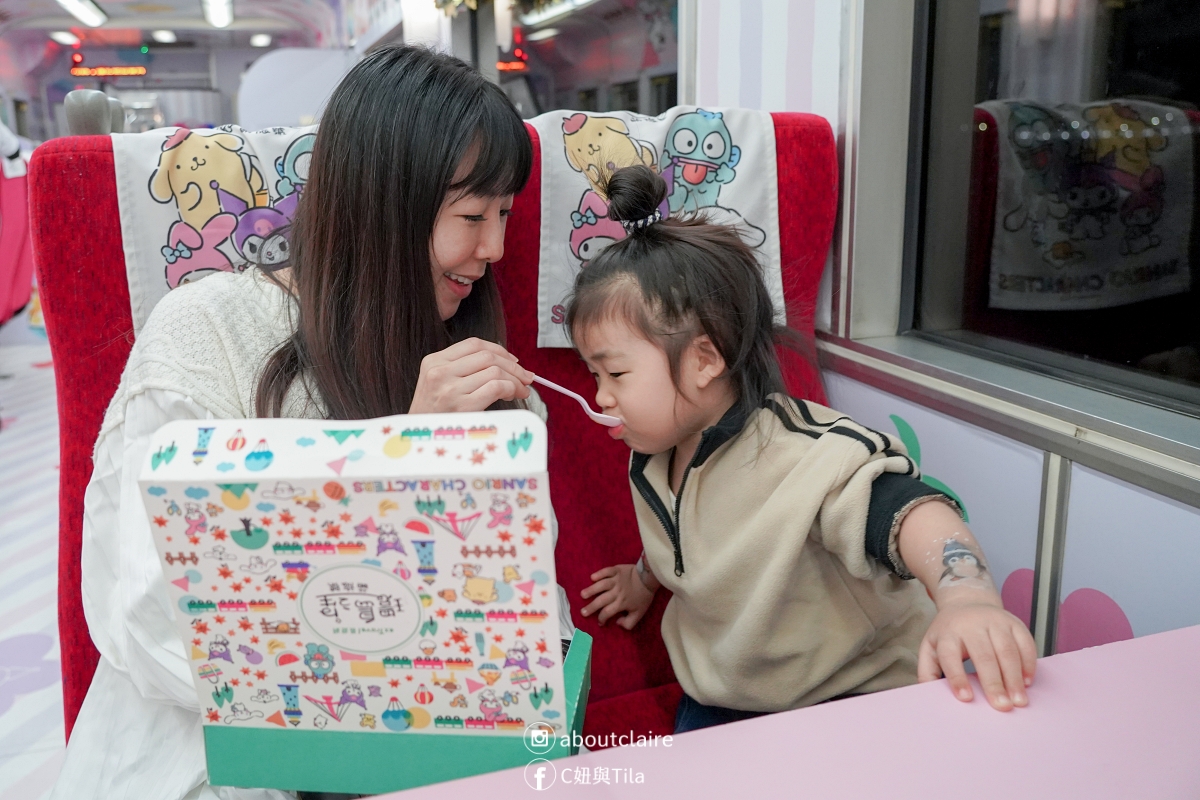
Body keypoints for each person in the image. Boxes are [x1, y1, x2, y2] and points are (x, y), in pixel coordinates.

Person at [52, 46, 573, 800]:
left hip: (431, 743)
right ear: (381, 204)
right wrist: (405, 456)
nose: (493, 250)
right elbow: (152, 609)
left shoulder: (469, 360)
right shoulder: (207, 329)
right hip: (215, 748)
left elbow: (515, 613)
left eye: (504, 216)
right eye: (472, 217)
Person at [571, 165, 1038, 734]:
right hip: (720, 698)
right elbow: (693, 534)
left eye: (616, 373)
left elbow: (915, 513)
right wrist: (645, 579)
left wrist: (969, 599)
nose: (600, 396)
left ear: (703, 360)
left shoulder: (808, 456)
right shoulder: (654, 450)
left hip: (850, 697)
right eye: (593, 374)